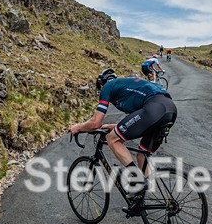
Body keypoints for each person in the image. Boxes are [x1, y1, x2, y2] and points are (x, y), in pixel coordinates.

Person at [69, 69, 177, 203]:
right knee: (141, 154)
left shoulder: (108, 86)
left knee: (112, 139)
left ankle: (136, 179)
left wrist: (77, 127)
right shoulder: (127, 88)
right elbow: (137, 121)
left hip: (154, 109)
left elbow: (95, 123)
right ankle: (143, 198)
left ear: (101, 84)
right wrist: (115, 127)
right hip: (168, 110)